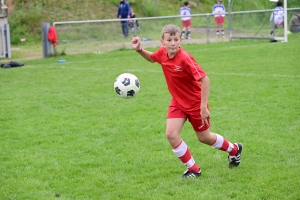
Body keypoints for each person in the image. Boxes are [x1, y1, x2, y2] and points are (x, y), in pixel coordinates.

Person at [131, 24, 243, 179]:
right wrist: (139, 50)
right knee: (171, 134)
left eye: (175, 39)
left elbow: (205, 80)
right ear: (162, 41)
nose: (172, 43)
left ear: (180, 41)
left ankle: (234, 150)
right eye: (169, 40)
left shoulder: (185, 59)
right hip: (177, 102)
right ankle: (194, 169)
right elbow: (152, 58)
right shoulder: (162, 53)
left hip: (195, 104)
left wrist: (203, 107)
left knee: (204, 137)